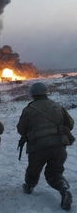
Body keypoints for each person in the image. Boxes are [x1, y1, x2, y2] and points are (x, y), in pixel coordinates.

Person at [17, 82, 74, 211]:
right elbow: (70, 124)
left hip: (38, 148)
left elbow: (21, 129)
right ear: (46, 92)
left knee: (33, 170)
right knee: (55, 173)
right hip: (59, 146)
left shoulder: (28, 109)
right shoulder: (57, 106)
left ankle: (29, 186)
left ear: (32, 94)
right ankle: (63, 188)